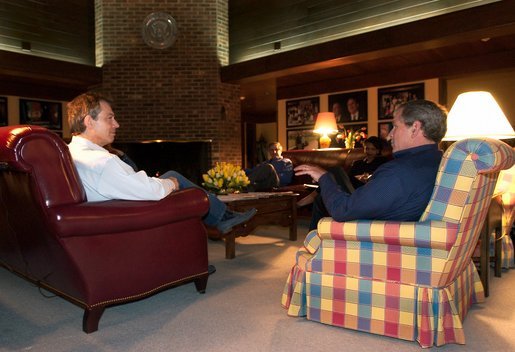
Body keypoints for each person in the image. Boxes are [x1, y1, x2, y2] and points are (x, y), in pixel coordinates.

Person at [66, 92, 256, 238]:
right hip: (131, 213)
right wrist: (171, 183)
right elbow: (150, 192)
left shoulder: (70, 152)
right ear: (89, 121)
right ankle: (223, 217)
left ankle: (223, 217)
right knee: (175, 177)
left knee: (164, 175)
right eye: (110, 118)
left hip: (116, 205)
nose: (117, 124)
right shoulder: (102, 162)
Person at [295, 99, 447, 231]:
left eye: (395, 126)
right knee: (323, 199)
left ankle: (315, 244)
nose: (389, 135)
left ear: (415, 128)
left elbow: (343, 210)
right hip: (406, 231)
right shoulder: (441, 161)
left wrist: (323, 177)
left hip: (376, 239)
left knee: (328, 193)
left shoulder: (397, 172)